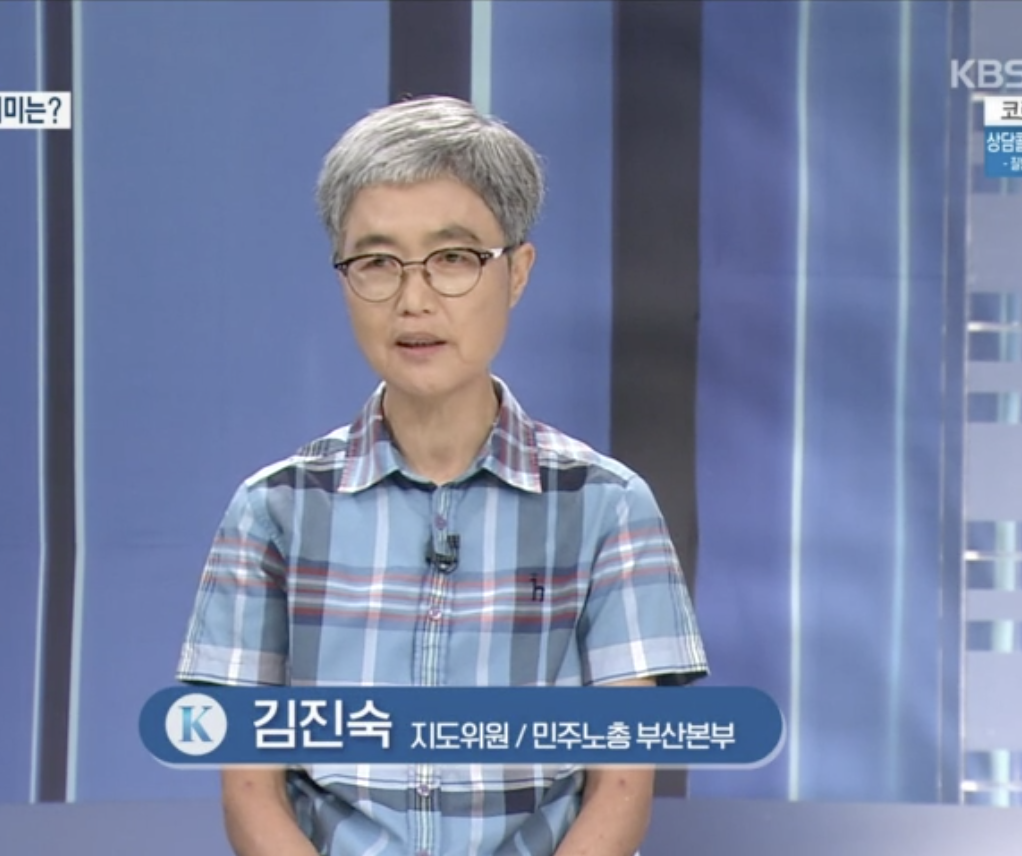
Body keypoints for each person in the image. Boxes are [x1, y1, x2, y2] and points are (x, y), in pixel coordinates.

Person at [177, 95, 707, 856]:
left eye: (454, 259)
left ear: (516, 272)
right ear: (343, 278)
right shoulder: (273, 511)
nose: (414, 299)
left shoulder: (605, 507)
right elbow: (250, 790)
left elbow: (621, 786)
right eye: (376, 263)